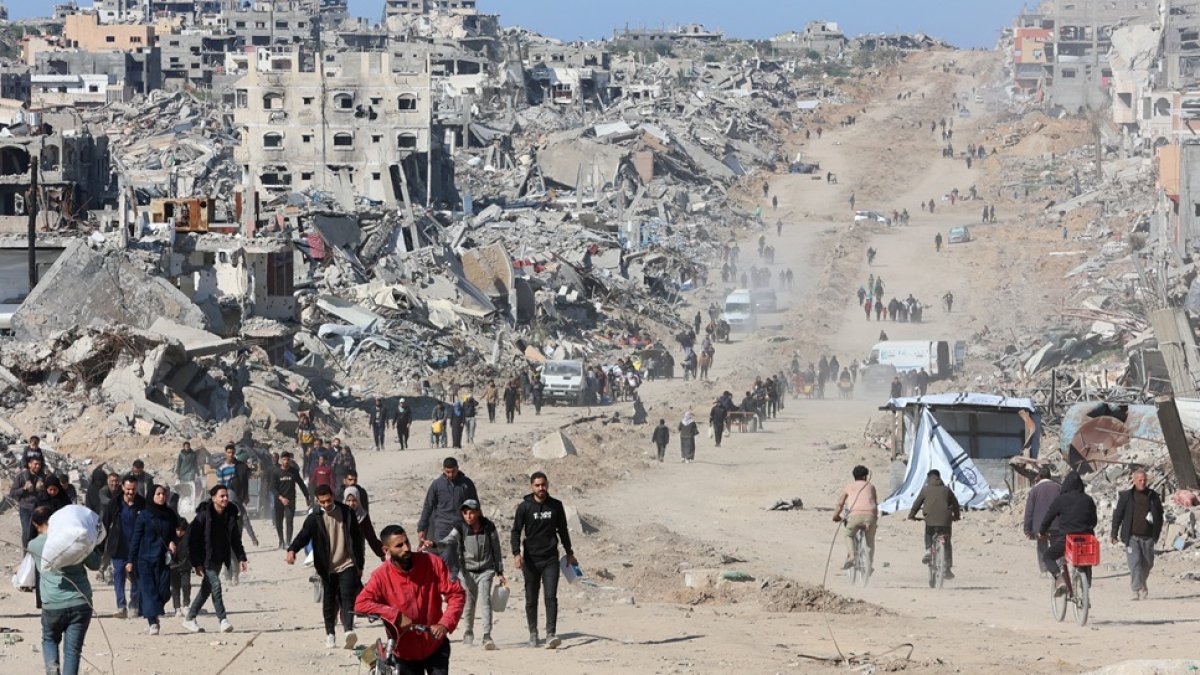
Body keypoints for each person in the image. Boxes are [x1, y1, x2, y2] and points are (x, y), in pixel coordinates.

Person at [354, 525, 465, 672]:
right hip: (404, 653)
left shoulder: (432, 562)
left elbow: (456, 594)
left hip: (435, 645)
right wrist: (395, 615)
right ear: (386, 550)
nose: (406, 548)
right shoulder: (380, 576)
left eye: (407, 542)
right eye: (399, 545)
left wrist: (445, 623)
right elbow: (360, 604)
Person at [286, 485, 365, 649]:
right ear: (317, 500)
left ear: (333, 496)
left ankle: (348, 631)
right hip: (327, 567)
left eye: (329, 500)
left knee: (347, 597)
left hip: (347, 563)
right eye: (322, 502)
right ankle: (330, 634)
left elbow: (358, 540)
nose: (326, 504)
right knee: (329, 601)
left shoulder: (346, 512)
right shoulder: (314, 518)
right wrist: (292, 550)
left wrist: (360, 563)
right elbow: (303, 535)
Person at [28, 506, 100, 675]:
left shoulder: (33, 545)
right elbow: (95, 564)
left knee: (50, 639)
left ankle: (52, 671)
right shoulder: (76, 540)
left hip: (53, 604)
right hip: (80, 600)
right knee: (73, 650)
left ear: (34, 523)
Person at [511, 472, 577, 649]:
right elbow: (516, 531)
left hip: (550, 559)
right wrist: (516, 553)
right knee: (531, 599)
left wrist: (570, 552)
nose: (541, 488)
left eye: (543, 485)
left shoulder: (555, 506)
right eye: (537, 485)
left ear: (547, 485)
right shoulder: (524, 507)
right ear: (531, 487)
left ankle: (551, 634)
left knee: (550, 597)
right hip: (531, 560)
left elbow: (563, 530)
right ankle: (533, 633)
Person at [430, 499, 505, 650]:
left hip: (486, 570)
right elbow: (449, 540)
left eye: (471, 512)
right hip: (467, 573)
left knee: (485, 601)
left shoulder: (488, 527)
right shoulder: (460, 527)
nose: (468, 516)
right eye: (465, 513)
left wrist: (500, 571)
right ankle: (468, 632)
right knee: (469, 604)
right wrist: (434, 544)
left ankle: (486, 635)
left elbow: (496, 548)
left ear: (478, 512)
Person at [182, 485, 248, 633]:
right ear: (213, 498)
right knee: (216, 585)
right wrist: (196, 563)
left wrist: (242, 557)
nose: (225, 498)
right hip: (205, 558)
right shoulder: (204, 515)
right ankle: (223, 620)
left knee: (206, 590)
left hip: (219, 557)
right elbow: (192, 541)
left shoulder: (230, 514)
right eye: (222, 496)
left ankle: (189, 618)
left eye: (226, 496)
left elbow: (235, 540)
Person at [127, 485, 177, 635]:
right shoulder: (144, 515)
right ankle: (153, 622)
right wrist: (130, 560)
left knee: (164, 592)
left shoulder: (170, 514)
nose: (162, 497)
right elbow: (135, 539)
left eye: (163, 494)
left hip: (162, 560)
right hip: (144, 560)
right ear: (152, 496)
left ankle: (152, 611)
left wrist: (173, 542)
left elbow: (174, 533)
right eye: (158, 494)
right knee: (149, 591)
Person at [417, 457, 479, 578]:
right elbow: (428, 506)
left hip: (462, 527)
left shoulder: (466, 484)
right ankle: (450, 584)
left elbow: (475, 505)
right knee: (447, 556)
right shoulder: (437, 485)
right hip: (443, 526)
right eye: (447, 472)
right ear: (443, 470)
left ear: (457, 469)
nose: (450, 474)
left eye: (453, 471)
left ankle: (454, 585)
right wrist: (421, 528)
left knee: (461, 557)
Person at [1039, 471, 1098, 596]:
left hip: (1067, 538)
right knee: (1085, 556)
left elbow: (1048, 518)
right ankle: (1086, 584)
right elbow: (1094, 521)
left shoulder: (1061, 500)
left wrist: (1042, 531)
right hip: (1087, 538)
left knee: (1047, 556)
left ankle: (1059, 578)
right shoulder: (1088, 499)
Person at [1110, 468, 1164, 600]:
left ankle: (1142, 582)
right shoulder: (1126, 496)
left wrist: (1156, 532)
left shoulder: (1153, 496)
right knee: (1134, 563)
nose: (1142, 482)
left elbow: (1160, 515)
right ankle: (1135, 590)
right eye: (1139, 480)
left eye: (1144, 479)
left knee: (1148, 564)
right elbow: (1118, 515)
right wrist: (1114, 534)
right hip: (1132, 537)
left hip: (1148, 537)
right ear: (1134, 481)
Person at [103, 474, 146, 618]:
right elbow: (104, 524)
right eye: (128, 489)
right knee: (118, 575)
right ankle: (121, 606)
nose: (130, 492)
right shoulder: (114, 504)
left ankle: (134, 605)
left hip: (137, 547)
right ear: (122, 487)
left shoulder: (142, 504)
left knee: (136, 577)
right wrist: (101, 544)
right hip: (118, 546)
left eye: (133, 489)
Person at [907, 469, 960, 580]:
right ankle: (948, 568)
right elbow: (955, 504)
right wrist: (957, 516)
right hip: (946, 521)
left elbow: (917, 503)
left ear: (928, 479)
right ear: (939, 478)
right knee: (947, 542)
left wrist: (911, 515)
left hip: (930, 520)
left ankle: (928, 550)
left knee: (929, 532)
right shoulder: (946, 490)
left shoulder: (925, 490)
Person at [832, 465, 878, 571]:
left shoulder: (849, 486)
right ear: (865, 476)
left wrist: (836, 516)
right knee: (870, 541)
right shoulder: (871, 486)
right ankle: (869, 565)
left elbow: (840, 503)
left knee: (848, 535)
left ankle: (852, 556)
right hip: (870, 516)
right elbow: (875, 503)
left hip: (854, 516)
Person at [269, 451, 311, 549]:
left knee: (289, 521)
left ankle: (288, 542)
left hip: (291, 500)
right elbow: (272, 488)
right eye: (284, 459)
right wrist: (281, 498)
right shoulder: (276, 472)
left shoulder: (293, 471)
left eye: (287, 459)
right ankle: (281, 540)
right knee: (279, 522)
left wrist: (307, 496)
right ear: (280, 460)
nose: (286, 461)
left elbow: (301, 484)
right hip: (279, 500)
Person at [1023, 466, 1061, 574]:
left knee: (1042, 548)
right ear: (1050, 476)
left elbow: (1029, 511)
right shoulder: (1058, 488)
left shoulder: (1034, 490)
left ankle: (1044, 571)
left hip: (1040, 527)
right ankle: (1059, 570)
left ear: (1039, 477)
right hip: (1056, 524)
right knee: (1056, 547)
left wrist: (1027, 529)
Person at [11, 452, 49, 546]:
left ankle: (36, 552)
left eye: (39, 464)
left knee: (39, 532)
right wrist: (23, 489)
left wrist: (43, 489)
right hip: (26, 508)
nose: (37, 466)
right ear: (29, 464)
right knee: (27, 532)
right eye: (35, 464)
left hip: (39, 509)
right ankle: (26, 553)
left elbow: (49, 493)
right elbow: (12, 493)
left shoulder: (43, 477)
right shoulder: (21, 476)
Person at [343, 486, 384, 559]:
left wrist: (382, 553)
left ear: (358, 500)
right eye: (348, 501)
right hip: (341, 554)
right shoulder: (339, 515)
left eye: (354, 500)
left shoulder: (363, 516)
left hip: (357, 554)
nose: (351, 504)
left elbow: (371, 537)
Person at [169, 517, 193, 617]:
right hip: (173, 566)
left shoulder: (189, 537)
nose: (179, 532)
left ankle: (186, 605)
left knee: (186, 585)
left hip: (186, 566)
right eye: (177, 529)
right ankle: (177, 607)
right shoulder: (170, 538)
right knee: (175, 588)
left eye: (181, 530)